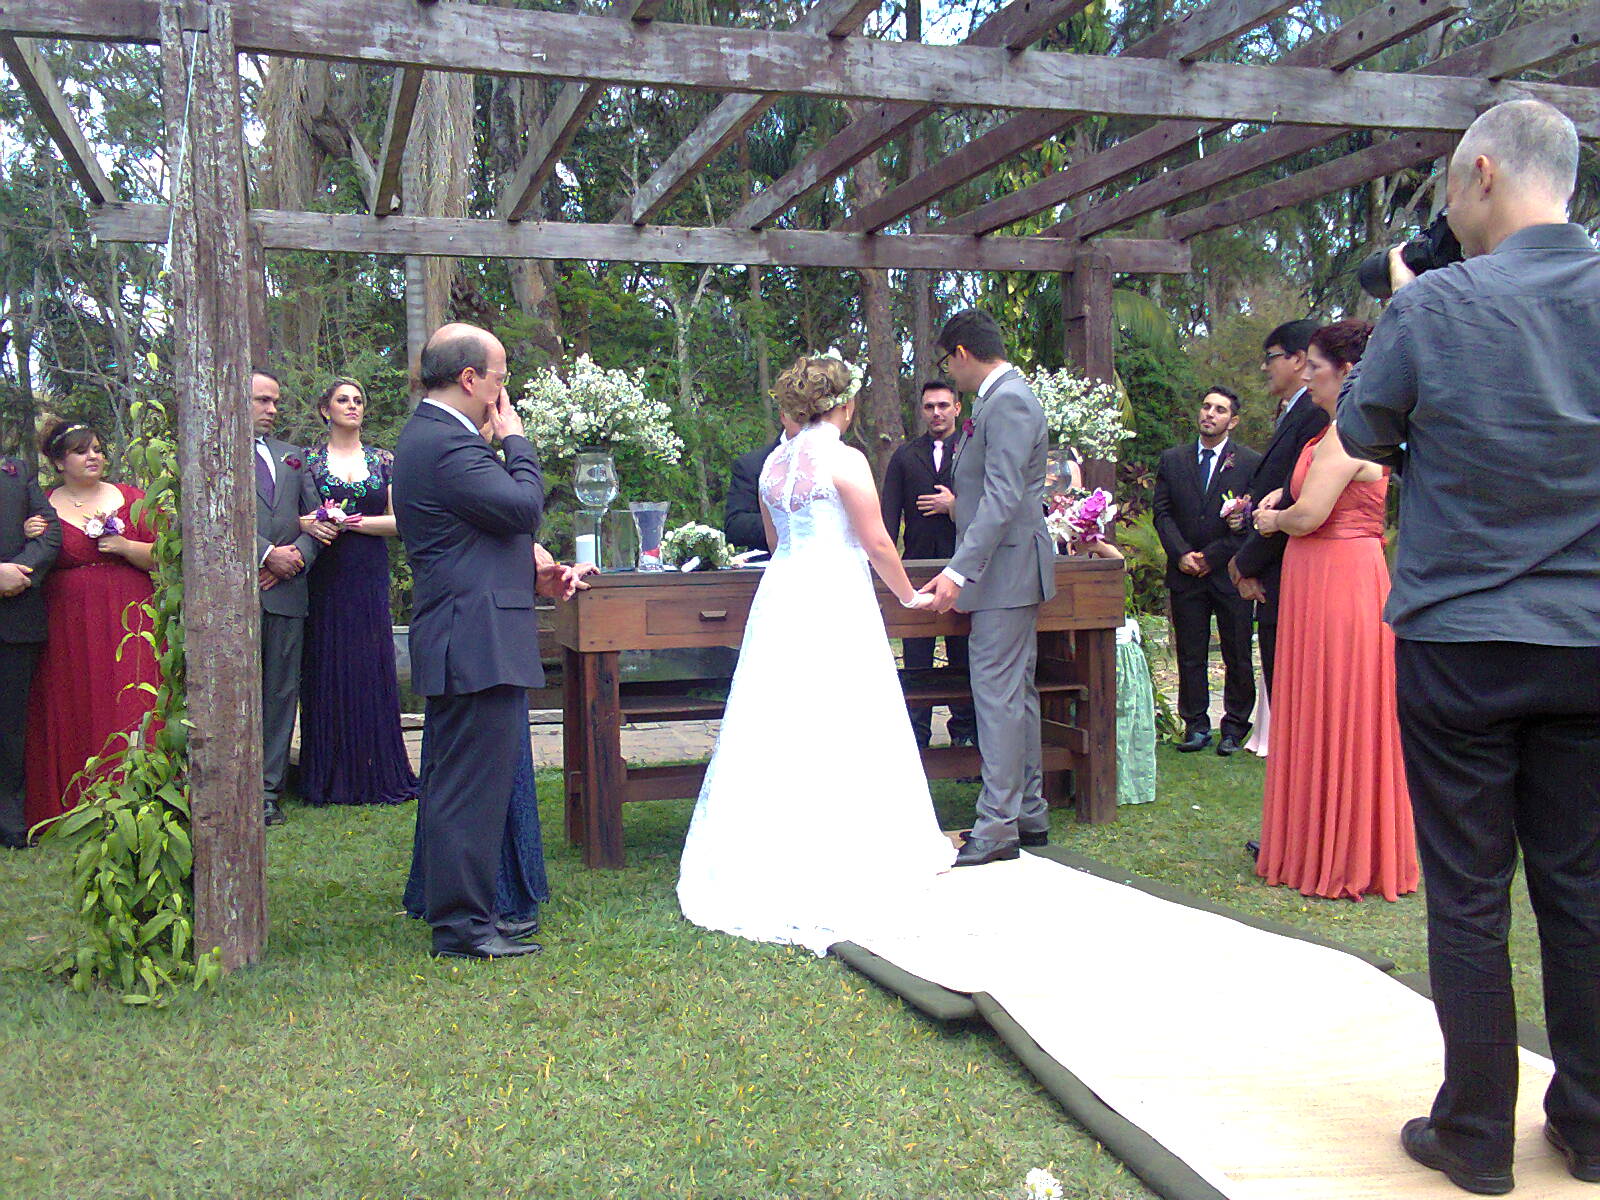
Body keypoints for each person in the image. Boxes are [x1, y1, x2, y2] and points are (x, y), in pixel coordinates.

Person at [1338, 100, 1600, 1195]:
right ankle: (1590, 1124)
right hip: (1589, 638)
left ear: (1482, 172)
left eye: (1450, 186)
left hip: (1461, 638)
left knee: (1468, 890)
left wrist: (1409, 304)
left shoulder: (1435, 303)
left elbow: (1361, 429)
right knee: (1582, 887)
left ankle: (1477, 1134)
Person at [677, 354, 950, 953]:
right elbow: (877, 540)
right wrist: (908, 595)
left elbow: (777, 539)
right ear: (844, 403)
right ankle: (852, 854)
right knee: (846, 713)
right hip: (834, 594)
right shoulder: (845, 459)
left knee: (781, 717)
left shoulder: (773, 464)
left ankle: (769, 853)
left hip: (783, 595)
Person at [392, 323, 546, 961]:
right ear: (469, 379)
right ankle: (462, 928)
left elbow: (487, 531)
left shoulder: (437, 437)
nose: (503, 393)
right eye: (500, 379)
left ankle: (472, 913)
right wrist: (517, 442)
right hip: (473, 636)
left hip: (473, 631)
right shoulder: (445, 443)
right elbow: (523, 506)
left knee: (469, 785)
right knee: (467, 791)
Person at [1249, 321, 1416, 905]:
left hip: (1339, 579)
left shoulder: (1348, 434)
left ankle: (1341, 851)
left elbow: (1311, 515)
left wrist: (1273, 519)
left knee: (1339, 700)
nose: (1309, 378)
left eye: (1316, 368)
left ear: (1346, 372)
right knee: (1317, 701)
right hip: (1324, 576)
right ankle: (1317, 840)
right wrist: (1285, 498)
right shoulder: (1337, 432)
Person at [919, 309, 1057, 867]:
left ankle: (998, 824)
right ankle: (1028, 810)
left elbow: (1003, 496)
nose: (950, 375)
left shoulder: (1010, 401)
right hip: (1008, 569)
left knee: (997, 695)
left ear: (961, 353)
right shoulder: (996, 401)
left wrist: (958, 570)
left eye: (948, 363)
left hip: (1005, 571)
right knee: (1014, 693)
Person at [23, 419, 159, 827]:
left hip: (129, 614)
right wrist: (28, 534)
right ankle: (77, 801)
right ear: (58, 462)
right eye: (81, 451)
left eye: (97, 449)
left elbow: (163, 556)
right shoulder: (41, 507)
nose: (93, 456)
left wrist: (126, 546)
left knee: (132, 695)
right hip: (68, 623)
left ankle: (137, 795)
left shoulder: (132, 498)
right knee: (76, 698)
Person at [296, 377, 417, 808]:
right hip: (325, 572)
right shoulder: (307, 460)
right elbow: (294, 517)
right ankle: (329, 774)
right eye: (343, 400)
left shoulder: (384, 460)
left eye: (358, 400)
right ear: (325, 409)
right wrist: (313, 523)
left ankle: (375, 769)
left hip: (368, 571)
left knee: (369, 663)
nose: (352, 406)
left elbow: (400, 521)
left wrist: (350, 522)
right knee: (326, 663)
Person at [1151, 387, 1261, 756]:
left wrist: (1211, 557)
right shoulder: (1173, 460)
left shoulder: (1249, 463)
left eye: (1219, 410)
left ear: (1233, 420)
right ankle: (1196, 725)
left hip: (1229, 572)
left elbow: (1250, 521)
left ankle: (1234, 726)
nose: (1209, 414)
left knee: (1237, 652)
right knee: (1191, 652)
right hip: (1185, 572)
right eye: (1206, 407)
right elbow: (1162, 513)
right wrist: (1182, 553)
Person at [1228, 319, 1327, 698]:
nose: (1264, 366)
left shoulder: (1316, 414)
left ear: (1298, 359)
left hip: (1291, 570)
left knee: (1293, 693)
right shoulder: (1293, 412)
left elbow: (1295, 496)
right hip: (1275, 568)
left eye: (1271, 357)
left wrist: (1245, 563)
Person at [880, 379, 977, 749]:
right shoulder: (905, 457)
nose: (936, 413)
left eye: (943, 405)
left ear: (957, 408)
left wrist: (953, 506)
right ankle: (916, 739)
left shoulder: (973, 452)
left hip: (962, 565)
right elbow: (888, 517)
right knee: (916, 656)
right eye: (929, 407)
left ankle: (964, 736)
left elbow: (989, 508)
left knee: (962, 656)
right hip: (917, 568)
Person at [252, 370, 323, 827]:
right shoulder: (211, 453)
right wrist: (264, 554)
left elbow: (319, 517)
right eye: (262, 400)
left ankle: (268, 790)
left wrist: (296, 556)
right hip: (235, 594)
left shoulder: (292, 457)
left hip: (287, 592)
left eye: (275, 401)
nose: (272, 409)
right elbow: (203, 518)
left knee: (280, 693)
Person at [0, 447, 59, 848]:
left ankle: (10, 820)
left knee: (11, 726)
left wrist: (20, 571)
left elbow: (51, 532)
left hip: (15, 620)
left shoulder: (16, 472)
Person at [723, 410, 800, 552]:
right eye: (801, 415)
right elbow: (735, 526)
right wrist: (787, 522)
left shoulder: (839, 459)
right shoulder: (752, 465)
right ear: (784, 415)